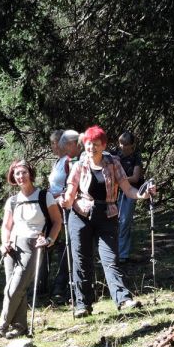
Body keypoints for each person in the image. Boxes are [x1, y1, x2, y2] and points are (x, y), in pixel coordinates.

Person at [61, 126, 155, 317]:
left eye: (96, 144)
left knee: (110, 258)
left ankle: (123, 299)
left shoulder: (113, 163)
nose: (91, 148)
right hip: (80, 216)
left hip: (107, 215)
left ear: (103, 145)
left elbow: (128, 190)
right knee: (81, 260)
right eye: (88, 144)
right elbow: (71, 192)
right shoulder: (78, 165)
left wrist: (143, 195)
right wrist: (65, 200)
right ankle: (82, 305)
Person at [0, 160, 63, 338]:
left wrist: (50, 240)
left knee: (16, 287)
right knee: (14, 287)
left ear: (30, 174)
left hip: (33, 244)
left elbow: (57, 221)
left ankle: (2, 325)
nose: (20, 176)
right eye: (17, 173)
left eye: (23, 172)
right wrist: (4, 242)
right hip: (12, 246)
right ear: (13, 177)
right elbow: (7, 226)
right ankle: (19, 327)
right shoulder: (13, 200)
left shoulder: (44, 196)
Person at [48, 129, 80, 300]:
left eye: (55, 142)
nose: (53, 146)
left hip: (66, 208)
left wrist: (55, 196)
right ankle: (56, 284)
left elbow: (71, 187)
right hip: (55, 209)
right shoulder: (57, 162)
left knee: (66, 245)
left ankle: (65, 285)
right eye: (52, 143)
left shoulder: (69, 161)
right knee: (59, 245)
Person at [115, 131, 144, 264]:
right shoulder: (115, 155)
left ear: (132, 145)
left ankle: (123, 254)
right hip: (115, 192)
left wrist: (120, 180)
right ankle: (113, 253)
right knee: (114, 222)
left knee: (125, 222)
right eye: (120, 143)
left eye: (125, 144)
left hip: (130, 192)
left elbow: (135, 177)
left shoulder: (136, 157)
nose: (122, 146)